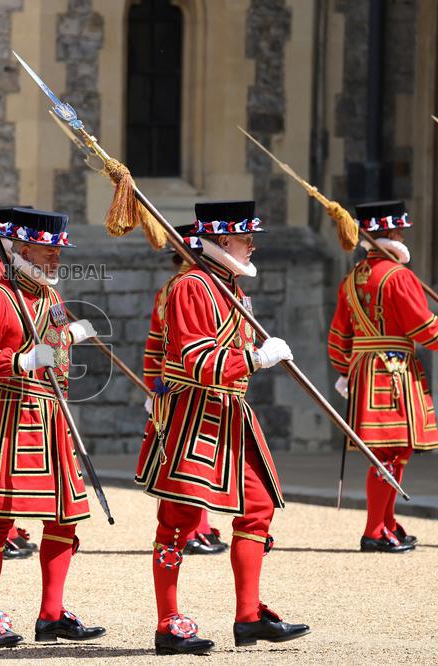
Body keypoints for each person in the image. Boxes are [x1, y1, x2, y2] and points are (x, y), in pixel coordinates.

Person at [136, 200, 309, 655]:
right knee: (178, 520)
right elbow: (197, 360)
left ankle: (249, 616)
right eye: (245, 238)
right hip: (193, 414)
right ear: (222, 241)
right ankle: (168, 621)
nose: (252, 246)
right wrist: (257, 357)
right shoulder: (191, 286)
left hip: (230, 411)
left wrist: (257, 352)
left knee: (258, 507)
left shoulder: (227, 285)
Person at [0, 207, 105, 647]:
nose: (55, 259)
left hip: (50, 417)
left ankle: (51, 613)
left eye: (58, 252)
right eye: (47, 251)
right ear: (23, 249)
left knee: (65, 518)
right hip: (6, 418)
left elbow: (53, 352)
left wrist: (67, 336)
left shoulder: (50, 296)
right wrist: (19, 361)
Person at [327, 200, 438, 552]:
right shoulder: (398, 276)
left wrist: (346, 371)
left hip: (364, 371)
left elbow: (338, 337)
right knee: (389, 454)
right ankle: (375, 529)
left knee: (391, 453)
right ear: (391, 233)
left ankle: (387, 521)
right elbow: (423, 328)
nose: (402, 234)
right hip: (393, 373)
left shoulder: (352, 278)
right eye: (400, 230)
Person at [143, 254, 227, 556]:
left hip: (170, 383)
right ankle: (191, 530)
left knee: (189, 463)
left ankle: (198, 528)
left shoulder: (169, 288)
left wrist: (153, 388)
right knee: (190, 465)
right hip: (191, 383)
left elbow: (154, 348)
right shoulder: (195, 286)